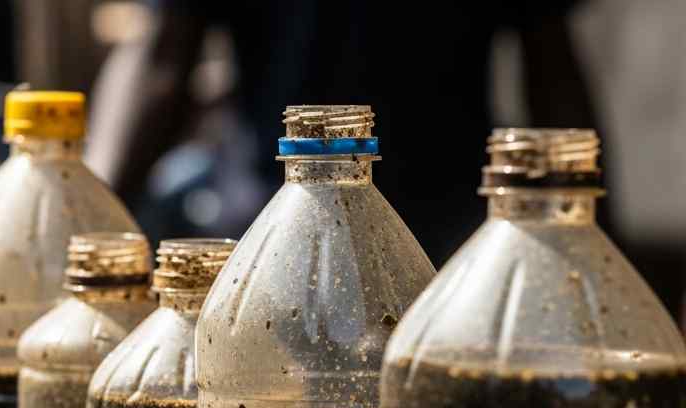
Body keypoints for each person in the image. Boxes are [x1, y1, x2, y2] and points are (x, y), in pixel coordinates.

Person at [89, 1, 596, 267]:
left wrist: (589, 243)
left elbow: (162, 62)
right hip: (273, 230)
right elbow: (161, 63)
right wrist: (91, 219)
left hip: (443, 241)